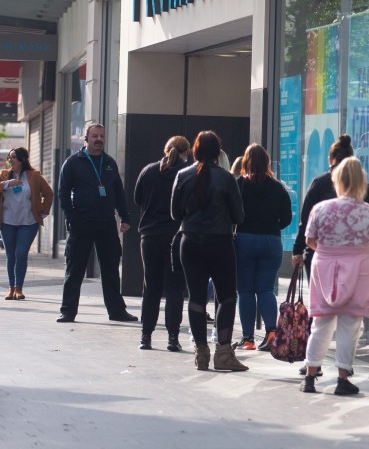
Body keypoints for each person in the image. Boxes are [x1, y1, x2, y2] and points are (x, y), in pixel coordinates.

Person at [300, 157, 369, 396]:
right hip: (360, 267)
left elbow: (310, 240)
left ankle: (310, 376)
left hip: (325, 266)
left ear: (336, 180)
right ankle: (342, 378)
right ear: (362, 182)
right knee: (350, 324)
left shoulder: (321, 209)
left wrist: (332, 251)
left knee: (321, 323)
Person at [171, 131, 247, 372]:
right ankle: (223, 352)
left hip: (190, 243)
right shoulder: (227, 179)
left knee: (195, 298)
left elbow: (175, 213)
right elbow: (239, 216)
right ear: (218, 152)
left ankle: (200, 352)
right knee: (226, 297)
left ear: (194, 150)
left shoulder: (182, 175)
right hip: (220, 243)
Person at [57, 123, 138, 323]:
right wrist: (71, 217)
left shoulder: (109, 163)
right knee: (75, 269)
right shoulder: (73, 162)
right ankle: (68, 311)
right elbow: (63, 192)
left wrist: (125, 217)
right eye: (94, 136)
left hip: (106, 223)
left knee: (110, 270)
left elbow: (118, 192)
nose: (99, 139)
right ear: (86, 138)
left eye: (101, 136)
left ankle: (117, 311)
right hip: (81, 223)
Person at [134, 136, 191, 351]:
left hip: (149, 236)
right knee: (175, 287)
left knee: (151, 287)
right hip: (175, 236)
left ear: (164, 149)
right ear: (186, 152)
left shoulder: (148, 170)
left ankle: (146, 336)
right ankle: (173, 338)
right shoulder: (186, 173)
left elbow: (138, 198)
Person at [235, 144, 293, 351]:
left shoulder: (239, 184)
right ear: (267, 162)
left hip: (244, 240)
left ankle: (248, 338)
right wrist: (272, 226)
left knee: (245, 290)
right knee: (266, 289)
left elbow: (231, 212)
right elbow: (287, 217)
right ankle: (271, 333)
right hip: (271, 241)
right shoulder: (278, 187)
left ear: (246, 162)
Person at [292, 134, 369, 276]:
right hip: (355, 258)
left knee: (323, 297)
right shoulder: (364, 187)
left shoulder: (319, 184)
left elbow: (306, 220)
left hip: (322, 255)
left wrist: (298, 250)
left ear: (330, 160)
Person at [1, 147, 54, 301]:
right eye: (10, 157)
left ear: (23, 159)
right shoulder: (4, 175)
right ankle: (11, 289)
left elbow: (49, 193)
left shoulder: (34, 176)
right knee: (11, 255)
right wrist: (7, 184)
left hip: (28, 222)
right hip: (7, 222)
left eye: (14, 157)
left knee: (21, 253)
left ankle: (19, 288)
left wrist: (42, 212)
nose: (10, 160)